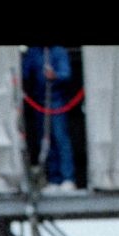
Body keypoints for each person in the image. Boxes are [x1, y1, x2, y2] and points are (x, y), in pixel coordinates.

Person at [22, 45, 77, 190]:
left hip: (57, 101)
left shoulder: (59, 51)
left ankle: (67, 178)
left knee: (61, 139)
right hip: (40, 102)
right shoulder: (33, 52)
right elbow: (25, 73)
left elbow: (66, 73)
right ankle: (54, 178)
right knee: (46, 140)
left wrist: (55, 75)